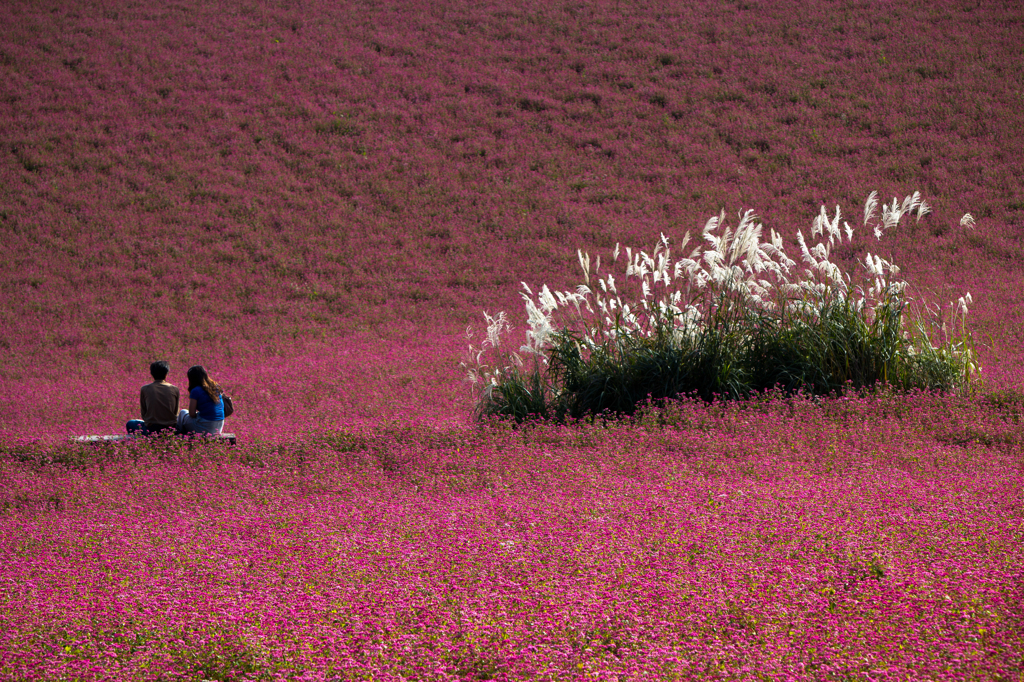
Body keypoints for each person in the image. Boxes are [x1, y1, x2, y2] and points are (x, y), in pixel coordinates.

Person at [126, 361, 180, 436]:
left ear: (152, 374)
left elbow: (144, 414)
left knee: (130, 423)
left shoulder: (145, 389)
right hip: (170, 429)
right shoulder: (175, 389)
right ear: (166, 374)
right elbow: (176, 413)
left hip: (151, 429)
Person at [177, 365, 225, 435]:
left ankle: (178, 435)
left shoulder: (196, 390)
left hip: (204, 428)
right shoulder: (215, 387)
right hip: (219, 427)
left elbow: (192, 414)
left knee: (182, 413)